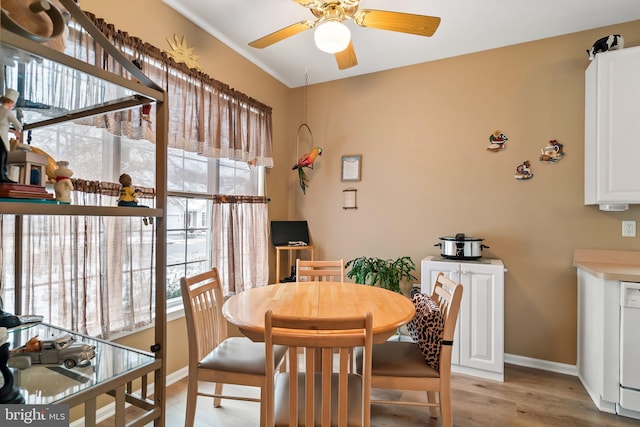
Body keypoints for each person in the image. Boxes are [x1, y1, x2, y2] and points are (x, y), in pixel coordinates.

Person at [0, 89, 22, 183]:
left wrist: (11, 131)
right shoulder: (8, 112)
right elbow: (19, 125)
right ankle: (2, 176)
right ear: (11, 102)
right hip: (1, 138)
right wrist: (17, 130)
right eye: (13, 104)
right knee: (2, 157)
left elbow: (2, 125)